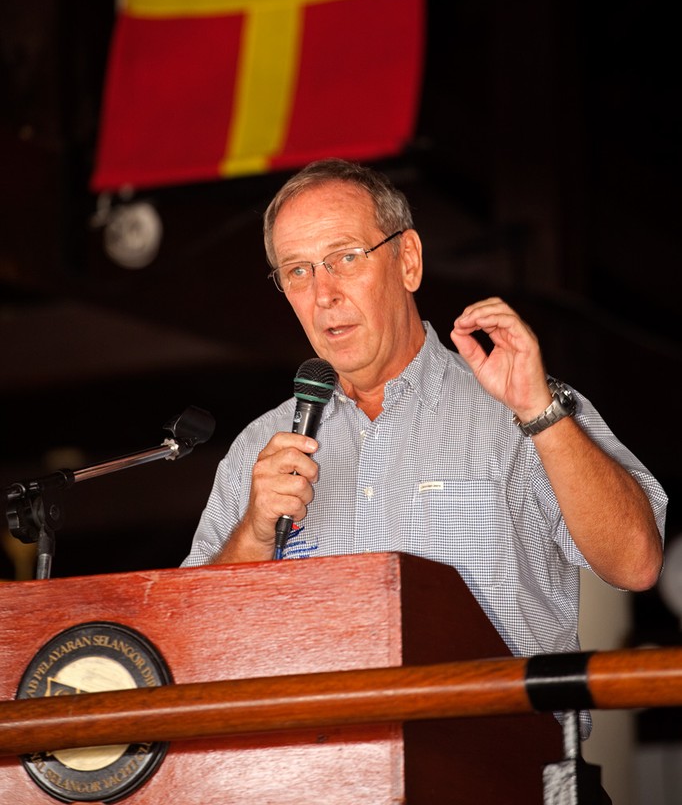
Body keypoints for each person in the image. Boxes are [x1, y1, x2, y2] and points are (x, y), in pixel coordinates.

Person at [182, 157, 667, 677]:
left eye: (346, 257)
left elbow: (636, 563)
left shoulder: (522, 403)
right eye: (298, 271)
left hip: (495, 727)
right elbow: (191, 645)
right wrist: (254, 535)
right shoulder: (260, 447)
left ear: (408, 261)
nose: (323, 294)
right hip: (321, 732)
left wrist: (538, 413)